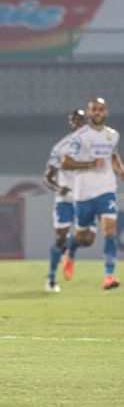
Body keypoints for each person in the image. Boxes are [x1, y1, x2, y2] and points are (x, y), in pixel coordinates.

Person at [61, 98, 124, 290]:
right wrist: (90, 164)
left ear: (105, 113)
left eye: (100, 109)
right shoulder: (79, 137)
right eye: (94, 109)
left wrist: (120, 171)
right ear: (88, 113)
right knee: (84, 238)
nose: (97, 112)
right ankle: (70, 252)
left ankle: (109, 276)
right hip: (84, 193)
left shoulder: (112, 135)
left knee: (110, 229)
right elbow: (65, 162)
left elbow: (113, 156)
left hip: (106, 190)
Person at [42, 110, 86, 293]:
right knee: (60, 239)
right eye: (73, 120)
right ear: (70, 124)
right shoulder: (61, 148)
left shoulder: (93, 146)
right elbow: (47, 178)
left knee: (84, 237)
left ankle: (71, 251)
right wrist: (61, 189)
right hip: (65, 200)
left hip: (85, 198)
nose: (77, 123)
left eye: (80, 120)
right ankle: (51, 279)